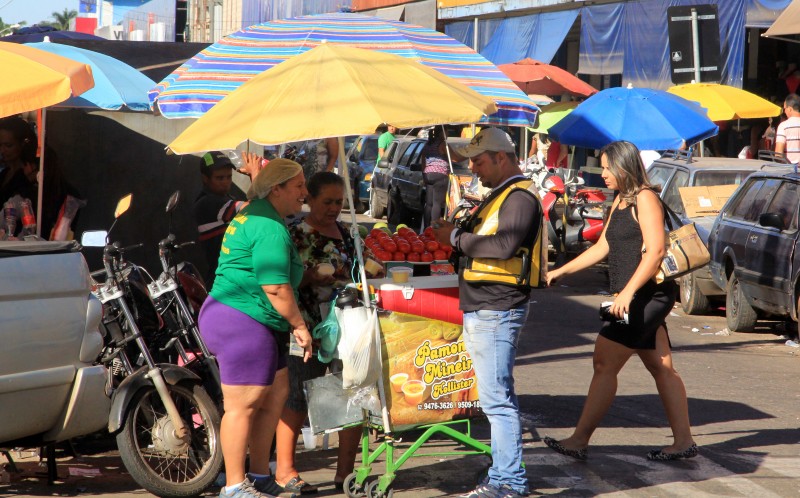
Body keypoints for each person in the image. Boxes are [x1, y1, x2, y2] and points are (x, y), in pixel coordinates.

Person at [544, 140, 697, 462]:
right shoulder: (621, 202)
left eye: (606, 167)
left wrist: (626, 293)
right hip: (637, 297)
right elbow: (603, 247)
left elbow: (655, 251)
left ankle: (578, 440)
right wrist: (560, 271)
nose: (603, 174)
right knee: (662, 368)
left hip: (645, 297)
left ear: (623, 167)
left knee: (604, 363)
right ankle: (684, 441)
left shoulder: (645, 199)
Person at [431, 128, 545, 498]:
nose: (475, 169)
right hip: (486, 306)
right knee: (496, 397)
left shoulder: (520, 197)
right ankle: (503, 475)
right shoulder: (499, 195)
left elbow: (504, 244)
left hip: (497, 307)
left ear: (502, 157)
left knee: (497, 400)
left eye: (479, 161)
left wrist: (454, 238)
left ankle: (508, 482)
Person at [197, 156, 313, 498]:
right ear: (276, 189)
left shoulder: (257, 214)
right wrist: (299, 326)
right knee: (242, 406)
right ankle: (234, 486)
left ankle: (260, 475)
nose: (304, 193)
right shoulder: (266, 224)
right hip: (242, 320)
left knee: (275, 395)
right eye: (299, 186)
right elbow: (275, 286)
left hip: (256, 320)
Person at [275, 172, 384, 494]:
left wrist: (374, 270)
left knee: (352, 395)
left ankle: (345, 474)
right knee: (296, 397)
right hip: (305, 329)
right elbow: (279, 281)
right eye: (328, 202)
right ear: (309, 199)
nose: (334, 208)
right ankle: (286, 470)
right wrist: (308, 278)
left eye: (339, 202)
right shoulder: (294, 234)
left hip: (349, 331)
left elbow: (370, 266)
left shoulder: (350, 235)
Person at [193, 151, 246, 287]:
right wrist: (256, 175)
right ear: (205, 178)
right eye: (220, 178)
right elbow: (250, 208)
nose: (226, 182)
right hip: (222, 282)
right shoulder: (207, 203)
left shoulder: (226, 198)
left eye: (229, 177)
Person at [0, 116, 38, 208]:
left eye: (8, 145)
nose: (2, 150)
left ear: (23, 144)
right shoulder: (4, 173)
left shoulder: (31, 174)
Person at [420, 127, 450, 229]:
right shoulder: (443, 145)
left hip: (428, 175)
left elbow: (423, 160)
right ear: (442, 132)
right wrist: (468, 154)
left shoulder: (428, 144)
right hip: (440, 175)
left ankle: (426, 228)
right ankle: (434, 229)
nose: (448, 133)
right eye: (447, 131)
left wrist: (424, 175)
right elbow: (454, 158)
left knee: (429, 204)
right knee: (437, 203)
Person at [775, 93, 800, 163]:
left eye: (784, 108)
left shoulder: (783, 126)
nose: (784, 111)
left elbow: (778, 154)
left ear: (790, 109)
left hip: (790, 170)